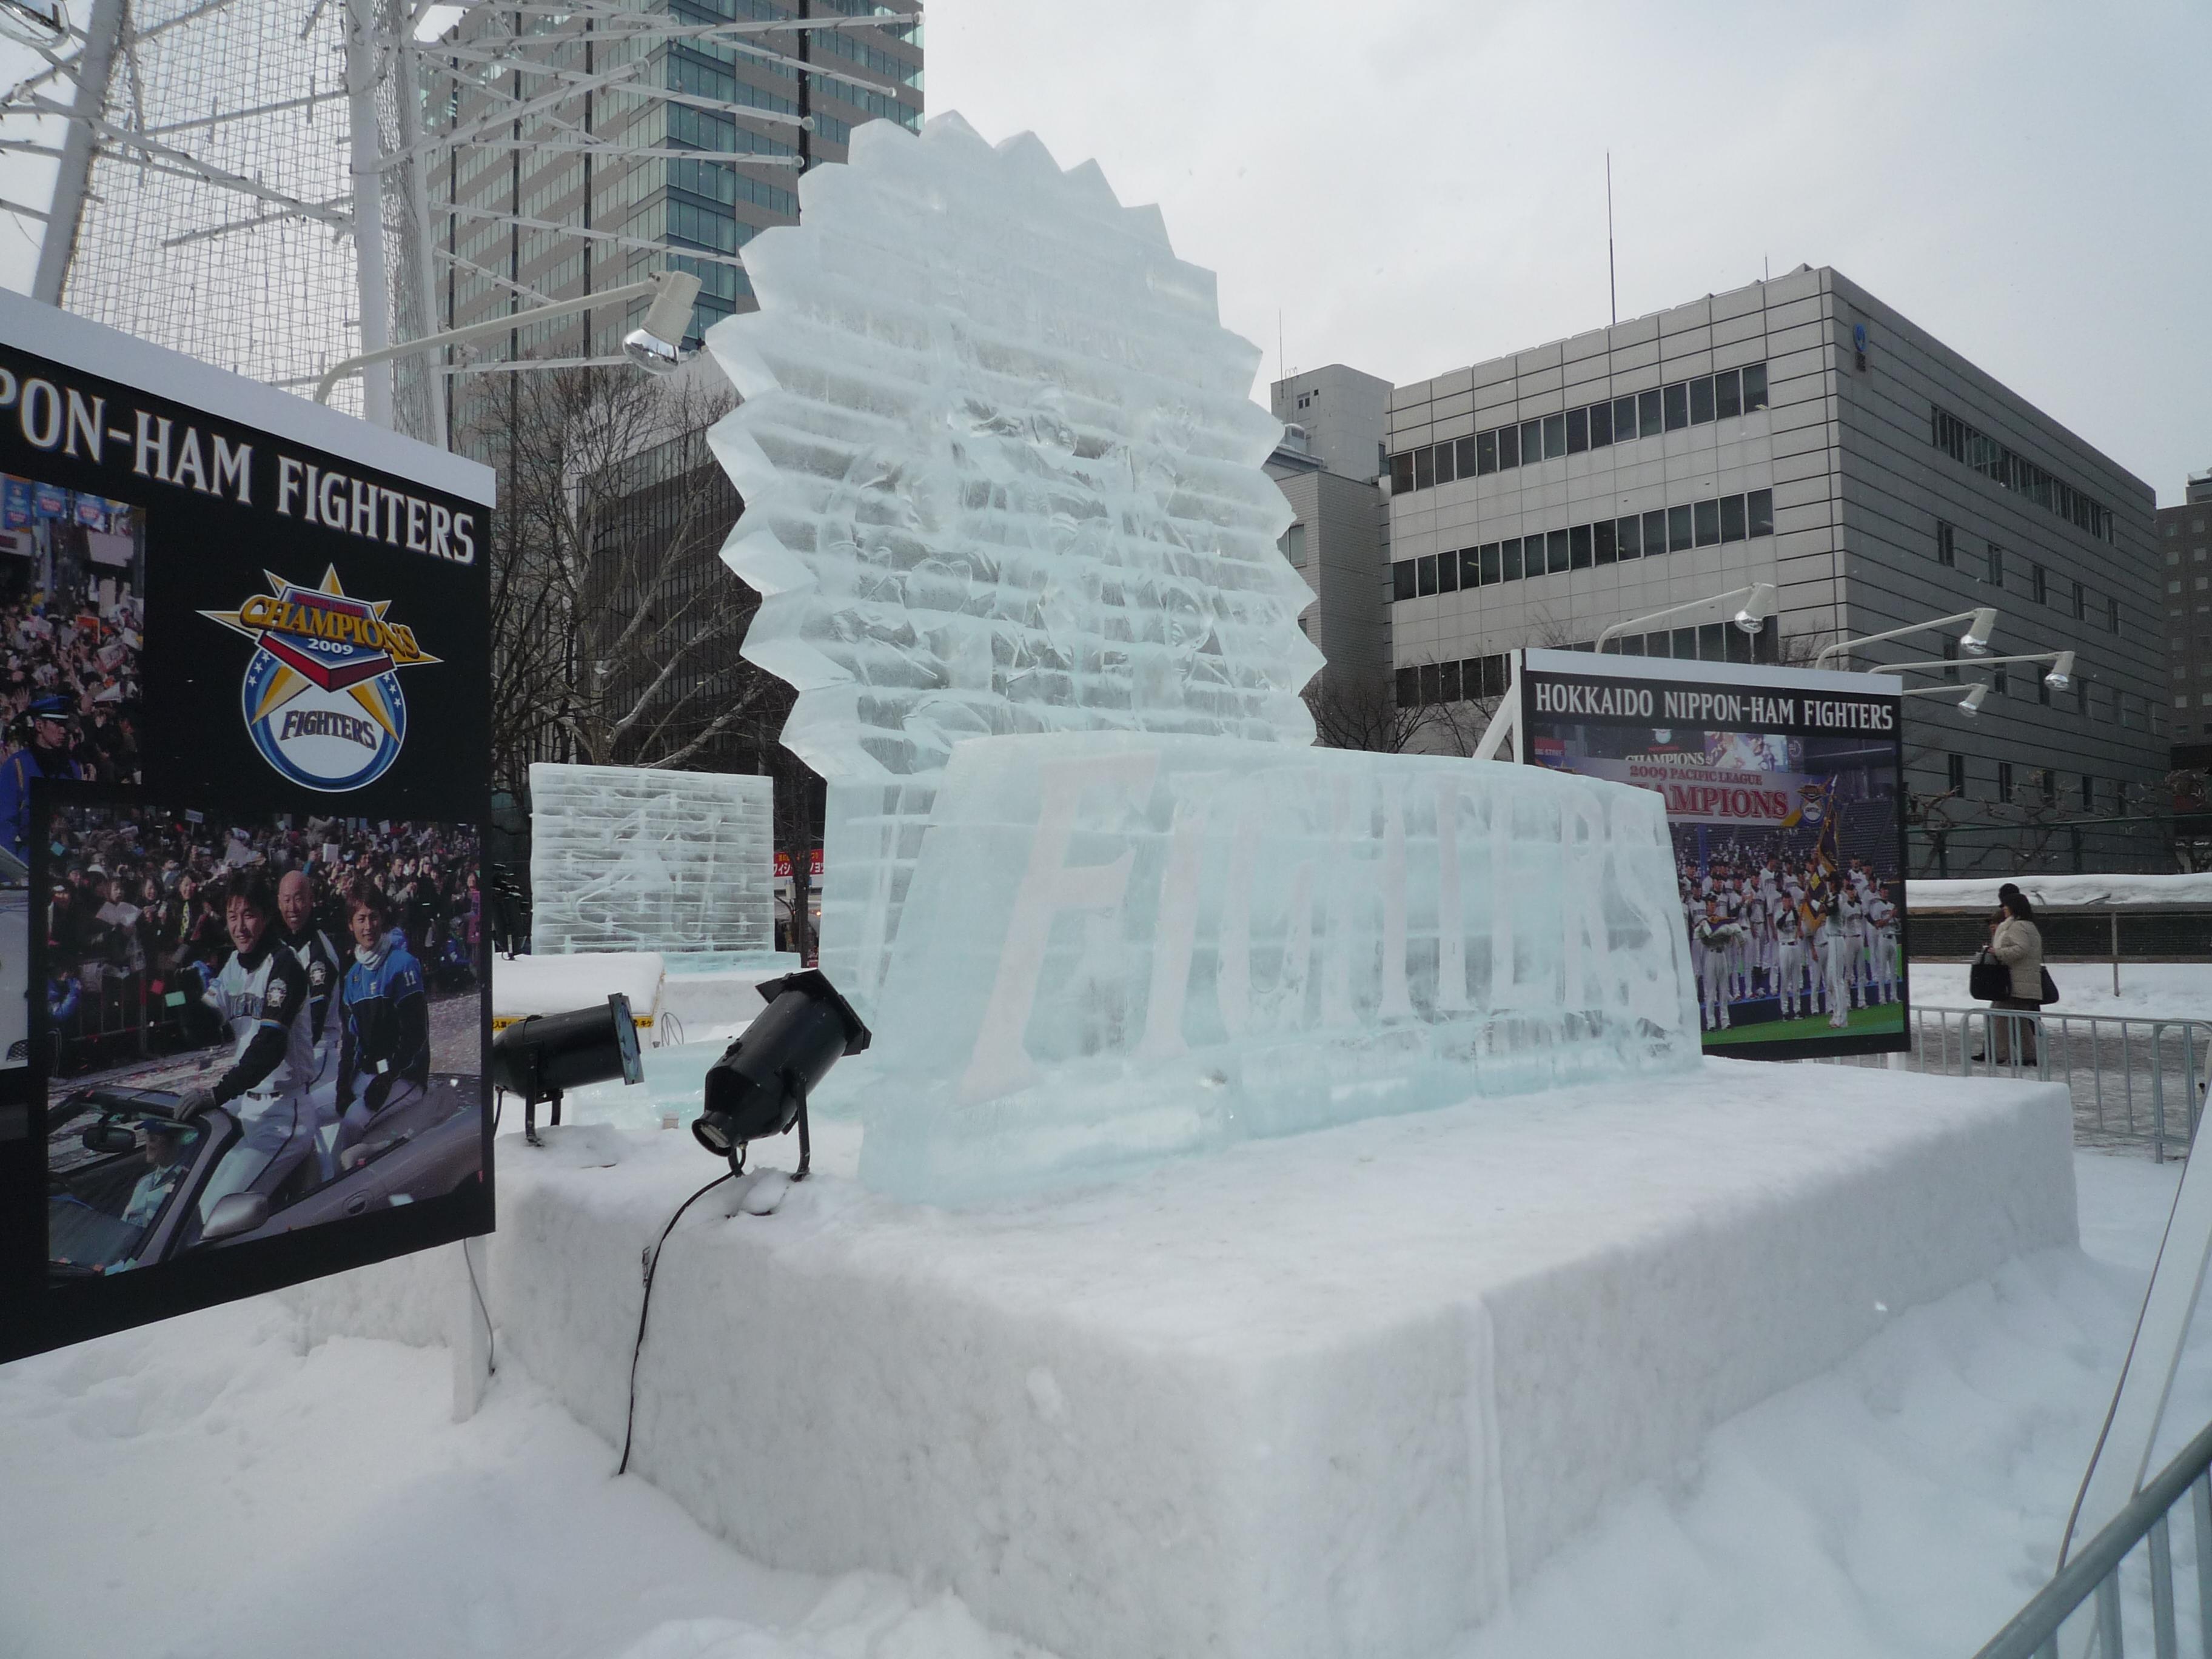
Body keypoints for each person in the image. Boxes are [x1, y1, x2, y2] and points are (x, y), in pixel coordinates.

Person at [176, 873, 320, 1224]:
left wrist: (216, 1094)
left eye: (249, 915)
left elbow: (269, 1048)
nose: (239, 927)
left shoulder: (284, 966)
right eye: (232, 916)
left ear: (267, 916)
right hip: (248, 1108)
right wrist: (180, 994)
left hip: (284, 1114)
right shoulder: (234, 965)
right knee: (192, 1203)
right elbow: (202, 1029)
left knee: (216, 1213)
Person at [334, 878, 430, 1162]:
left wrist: (388, 1077)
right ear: (350, 925)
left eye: (373, 917)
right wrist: (342, 1085)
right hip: (370, 1074)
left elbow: (416, 1035)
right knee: (313, 1109)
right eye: (361, 919)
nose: (368, 926)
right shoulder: (353, 976)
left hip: (404, 1077)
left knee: (353, 1120)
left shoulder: (403, 965)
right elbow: (350, 1041)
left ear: (382, 918)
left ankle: (345, 1181)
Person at [278, 869, 344, 1178]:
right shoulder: (283, 943)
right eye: (286, 900)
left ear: (311, 901)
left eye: (299, 899)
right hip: (294, 1050)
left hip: (318, 1053)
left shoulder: (319, 954)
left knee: (296, 1114)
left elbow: (313, 1025)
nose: (292, 908)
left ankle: (328, 1189)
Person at [0, 694, 92, 858]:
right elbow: (6, 825)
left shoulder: (72, 767)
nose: (63, 731)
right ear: (39, 726)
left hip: (60, 853)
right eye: (57, 724)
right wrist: (12, 870)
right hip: (28, 856)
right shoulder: (17, 766)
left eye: (65, 725)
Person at [1981, 882, 2045, 1065]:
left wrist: (1998, 953)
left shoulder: (2017, 927)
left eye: (2007, 907)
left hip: (2015, 982)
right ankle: (2029, 1055)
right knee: (2021, 1020)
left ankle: (2002, 1053)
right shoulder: (2030, 926)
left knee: (1999, 1017)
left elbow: (2020, 949)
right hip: (2027, 981)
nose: (2004, 910)